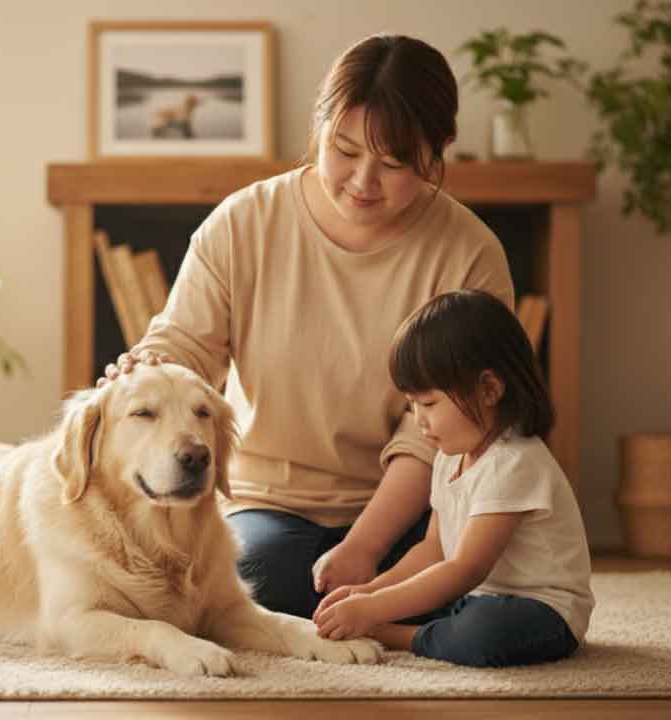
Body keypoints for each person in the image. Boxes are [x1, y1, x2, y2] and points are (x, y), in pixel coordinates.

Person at [98, 34, 514, 620]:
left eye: (394, 163)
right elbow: (185, 345)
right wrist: (147, 371)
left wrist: (365, 546)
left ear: (437, 152)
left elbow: (440, 428)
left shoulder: (470, 253)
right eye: (344, 150)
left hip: (417, 509)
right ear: (319, 127)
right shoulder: (243, 222)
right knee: (257, 581)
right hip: (269, 505)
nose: (363, 181)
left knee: (487, 584)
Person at [312, 290, 593, 667]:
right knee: (432, 598)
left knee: (480, 631)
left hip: (542, 612)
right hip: (478, 596)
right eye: (412, 405)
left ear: (489, 389)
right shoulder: (450, 455)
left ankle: (398, 636)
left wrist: (374, 611)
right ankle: (419, 628)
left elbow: (465, 569)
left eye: (429, 403)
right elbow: (435, 549)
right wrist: (371, 591)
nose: (418, 419)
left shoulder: (513, 463)